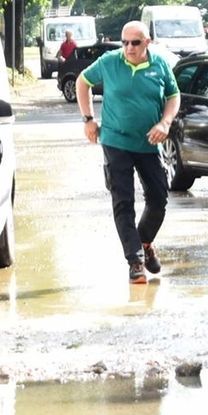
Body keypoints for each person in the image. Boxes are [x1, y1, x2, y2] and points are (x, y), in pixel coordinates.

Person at [77, 21, 180, 284]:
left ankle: (144, 242)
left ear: (147, 42)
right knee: (123, 201)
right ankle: (135, 261)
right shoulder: (110, 62)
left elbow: (173, 95)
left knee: (158, 199)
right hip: (115, 140)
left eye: (135, 43)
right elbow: (83, 81)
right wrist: (88, 119)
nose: (129, 48)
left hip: (148, 142)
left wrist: (165, 122)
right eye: (124, 42)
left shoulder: (160, 65)